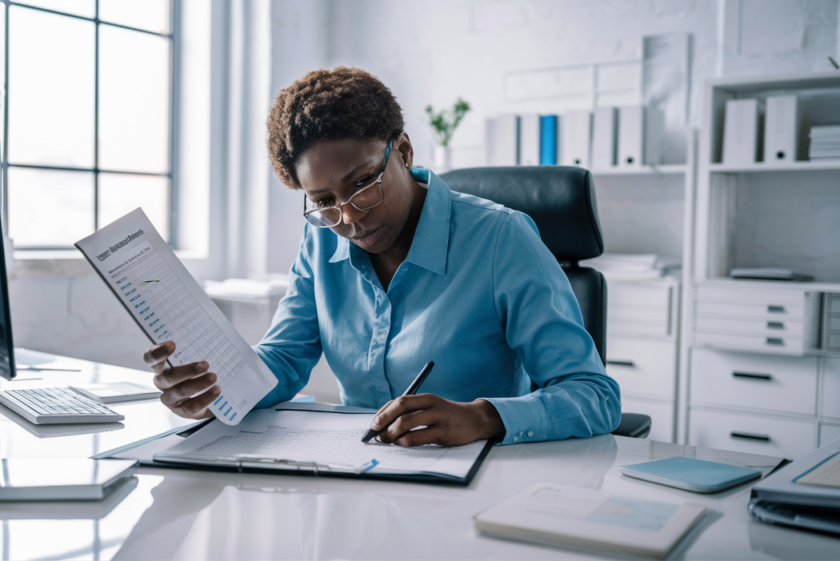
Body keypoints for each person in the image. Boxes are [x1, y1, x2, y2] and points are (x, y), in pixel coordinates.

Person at [145, 67, 621, 447]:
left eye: (362, 183)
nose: (348, 217)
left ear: (405, 152)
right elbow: (286, 358)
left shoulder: (501, 239)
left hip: (475, 487)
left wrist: (481, 418)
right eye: (324, 200)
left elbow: (594, 395)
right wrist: (219, 388)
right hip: (361, 475)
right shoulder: (322, 239)